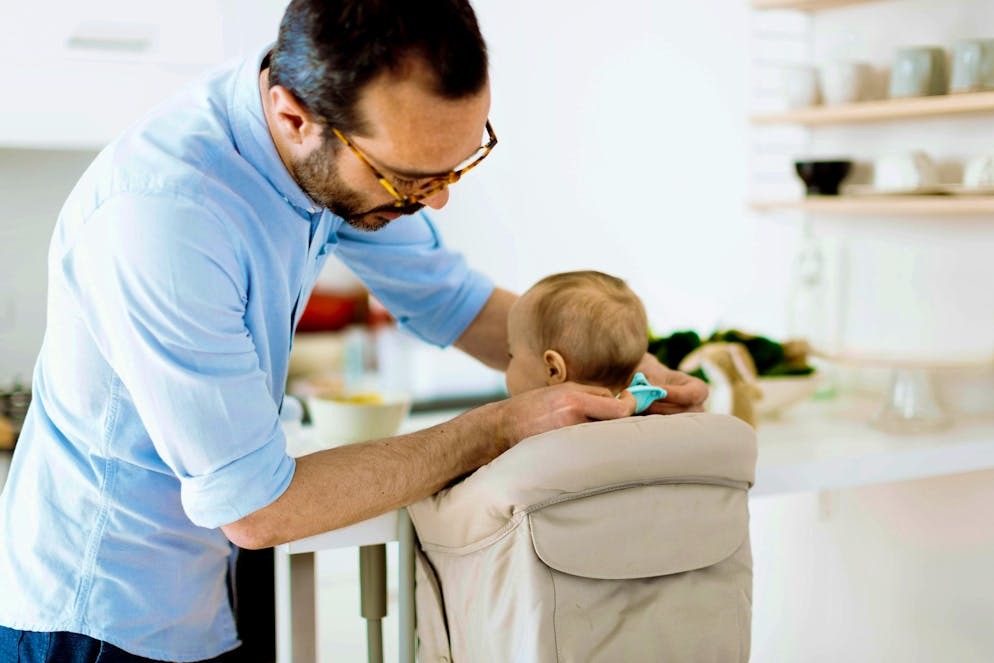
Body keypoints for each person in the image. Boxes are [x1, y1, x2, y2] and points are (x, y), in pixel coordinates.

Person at [0, 1, 707, 661]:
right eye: (409, 179)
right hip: (97, 616)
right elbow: (257, 506)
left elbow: (452, 299)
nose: (437, 198)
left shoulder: (324, 144)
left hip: (203, 592)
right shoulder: (165, 215)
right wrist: (504, 424)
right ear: (293, 117)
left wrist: (625, 368)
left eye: (457, 164)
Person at [505, 271, 666, 416]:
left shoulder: (537, 436)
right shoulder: (632, 416)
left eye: (511, 354)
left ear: (553, 369)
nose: (507, 362)